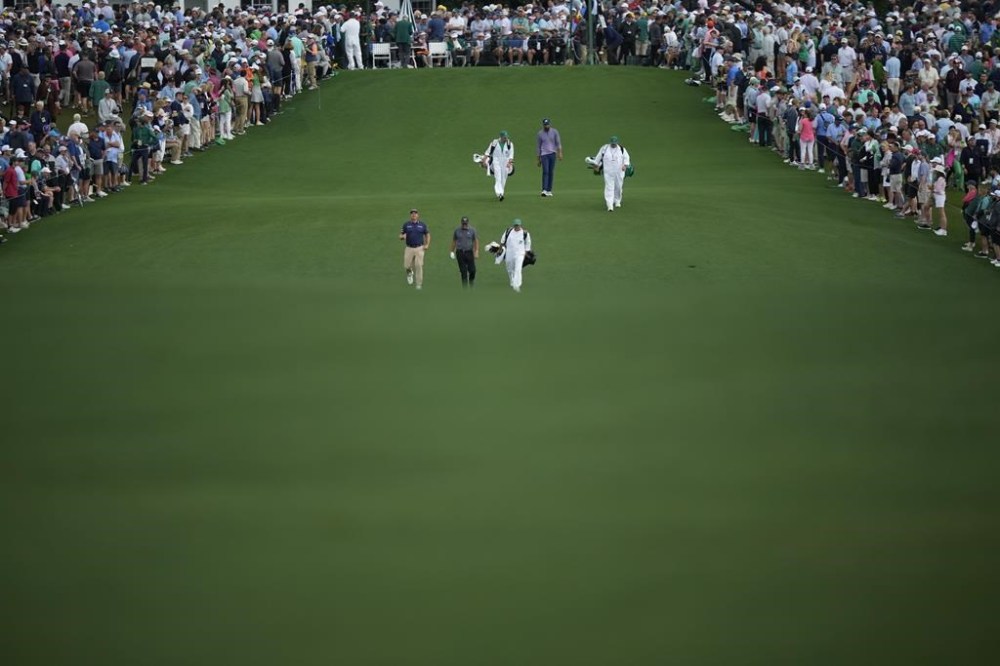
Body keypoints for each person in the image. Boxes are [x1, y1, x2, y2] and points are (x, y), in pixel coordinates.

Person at [589, 135, 631, 211]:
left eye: (614, 143)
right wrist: (596, 165)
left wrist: (625, 165)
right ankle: (609, 205)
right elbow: (598, 157)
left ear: (617, 142)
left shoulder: (622, 149)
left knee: (618, 186)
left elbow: (627, 158)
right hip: (608, 172)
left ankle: (617, 201)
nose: (613, 144)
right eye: (612, 143)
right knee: (609, 187)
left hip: (619, 171)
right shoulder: (604, 148)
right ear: (610, 142)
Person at [498, 218, 531, 293]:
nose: (517, 227)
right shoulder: (508, 231)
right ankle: (512, 281)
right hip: (509, 253)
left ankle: (517, 285)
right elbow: (502, 241)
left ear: (520, 225)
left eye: (518, 225)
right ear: (513, 225)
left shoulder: (525, 233)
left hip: (520, 254)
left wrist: (526, 252)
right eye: (515, 225)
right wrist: (499, 250)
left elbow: (528, 243)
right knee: (509, 268)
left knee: (518, 269)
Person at [399, 208, 430, 290]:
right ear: (410, 215)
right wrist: (403, 236)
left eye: (415, 213)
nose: (414, 214)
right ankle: (410, 273)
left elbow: (427, 235)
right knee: (406, 265)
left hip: (420, 248)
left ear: (418, 215)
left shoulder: (422, 225)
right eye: (412, 213)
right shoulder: (406, 225)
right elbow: (400, 235)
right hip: (409, 248)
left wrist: (427, 244)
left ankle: (419, 284)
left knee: (419, 266)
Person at [481, 130, 514, 201]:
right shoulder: (494, 143)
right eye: (505, 137)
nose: (506, 138)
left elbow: (511, 155)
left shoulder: (509, 144)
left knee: (504, 178)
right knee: (498, 176)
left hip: (505, 161)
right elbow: (487, 153)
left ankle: (501, 193)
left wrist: (509, 163)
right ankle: (499, 193)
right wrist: (483, 161)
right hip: (496, 161)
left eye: (506, 137)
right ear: (501, 137)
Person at [449, 216, 479, 287]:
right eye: (463, 224)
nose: (464, 225)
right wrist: (451, 251)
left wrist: (476, 251)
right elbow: (454, 241)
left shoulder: (472, 230)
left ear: (467, 223)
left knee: (472, 270)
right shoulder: (457, 230)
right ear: (461, 223)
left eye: (465, 224)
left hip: (469, 252)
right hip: (460, 253)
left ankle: (471, 282)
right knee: (463, 272)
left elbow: (475, 241)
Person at [536, 117, 562, 197]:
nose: (546, 126)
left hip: (552, 154)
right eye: (545, 125)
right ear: (543, 125)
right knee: (545, 171)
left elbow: (558, 143)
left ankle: (549, 190)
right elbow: (538, 146)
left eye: (547, 125)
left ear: (549, 124)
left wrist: (560, 153)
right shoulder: (540, 134)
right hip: (544, 155)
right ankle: (544, 190)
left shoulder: (554, 132)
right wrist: (538, 159)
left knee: (551, 172)